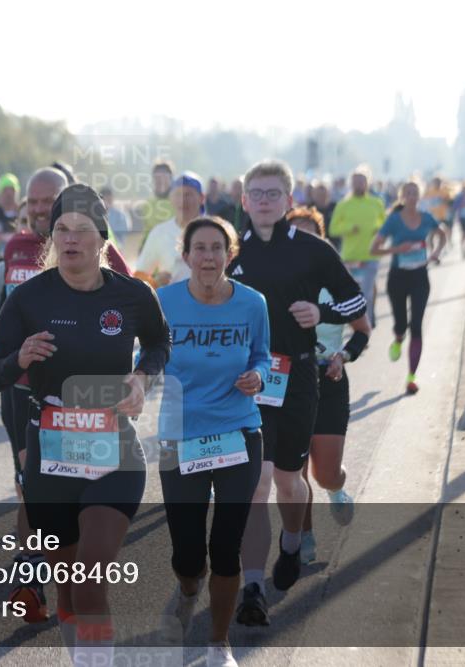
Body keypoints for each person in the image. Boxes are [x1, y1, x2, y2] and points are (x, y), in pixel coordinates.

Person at [0, 184, 170, 666]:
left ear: (102, 239)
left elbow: (160, 344)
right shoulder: (29, 298)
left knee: (89, 577)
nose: (70, 239)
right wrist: (19, 358)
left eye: (82, 230)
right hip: (51, 458)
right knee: (67, 589)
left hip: (114, 451)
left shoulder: (133, 295)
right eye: (61, 229)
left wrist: (142, 378)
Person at [229, 160, 366, 626]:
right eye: (257, 193)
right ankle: (252, 586)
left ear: (289, 200)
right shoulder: (231, 250)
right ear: (244, 200)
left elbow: (356, 301)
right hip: (248, 380)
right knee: (257, 482)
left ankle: (291, 544)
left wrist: (321, 312)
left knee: (289, 481)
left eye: (274, 194)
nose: (264, 201)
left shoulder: (313, 249)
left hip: (298, 376)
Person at [157, 216, 270, 667]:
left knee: (226, 546)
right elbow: (145, 354)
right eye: (199, 248)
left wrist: (258, 375)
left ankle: (218, 644)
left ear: (229, 254)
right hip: (180, 437)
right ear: (186, 256)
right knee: (187, 555)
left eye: (216, 248)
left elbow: (262, 355)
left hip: (237, 432)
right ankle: (188, 587)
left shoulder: (253, 303)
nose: (208, 257)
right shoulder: (163, 302)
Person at [286, 207, 371, 564]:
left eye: (309, 236)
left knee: (326, 473)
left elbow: (363, 330)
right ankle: (303, 534)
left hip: (330, 378)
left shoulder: (335, 283)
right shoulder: (273, 283)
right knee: (296, 470)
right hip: (288, 380)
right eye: (294, 236)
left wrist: (343, 356)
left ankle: (336, 489)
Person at [370, 180, 447, 395]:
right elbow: (374, 249)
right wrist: (397, 249)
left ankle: (412, 377)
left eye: (415, 193)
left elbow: (442, 234)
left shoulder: (427, 217)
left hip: (420, 277)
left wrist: (435, 253)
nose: (412, 196)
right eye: (408, 193)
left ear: (419, 196)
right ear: (402, 197)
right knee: (401, 325)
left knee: (417, 325)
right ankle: (398, 338)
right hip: (398, 278)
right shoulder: (394, 220)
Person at [328, 166, 385, 327]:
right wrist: (349, 228)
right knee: (353, 293)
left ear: (368, 183)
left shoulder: (376, 203)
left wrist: (378, 229)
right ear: (351, 183)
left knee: (367, 292)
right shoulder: (343, 205)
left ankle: (367, 324)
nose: (359, 184)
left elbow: (385, 225)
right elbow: (333, 229)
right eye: (356, 181)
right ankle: (357, 321)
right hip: (350, 256)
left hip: (371, 254)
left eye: (362, 181)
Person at [135, 172, 204, 287]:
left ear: (202, 198)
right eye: (178, 194)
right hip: (169, 298)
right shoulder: (159, 232)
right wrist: (155, 283)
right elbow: (140, 274)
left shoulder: (215, 231)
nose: (183, 200)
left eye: (189, 194)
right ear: (171, 198)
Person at [135, 160, 176, 245]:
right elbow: (147, 234)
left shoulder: (179, 202)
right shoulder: (147, 205)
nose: (160, 181)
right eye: (157, 178)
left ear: (171, 178)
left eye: (164, 177)